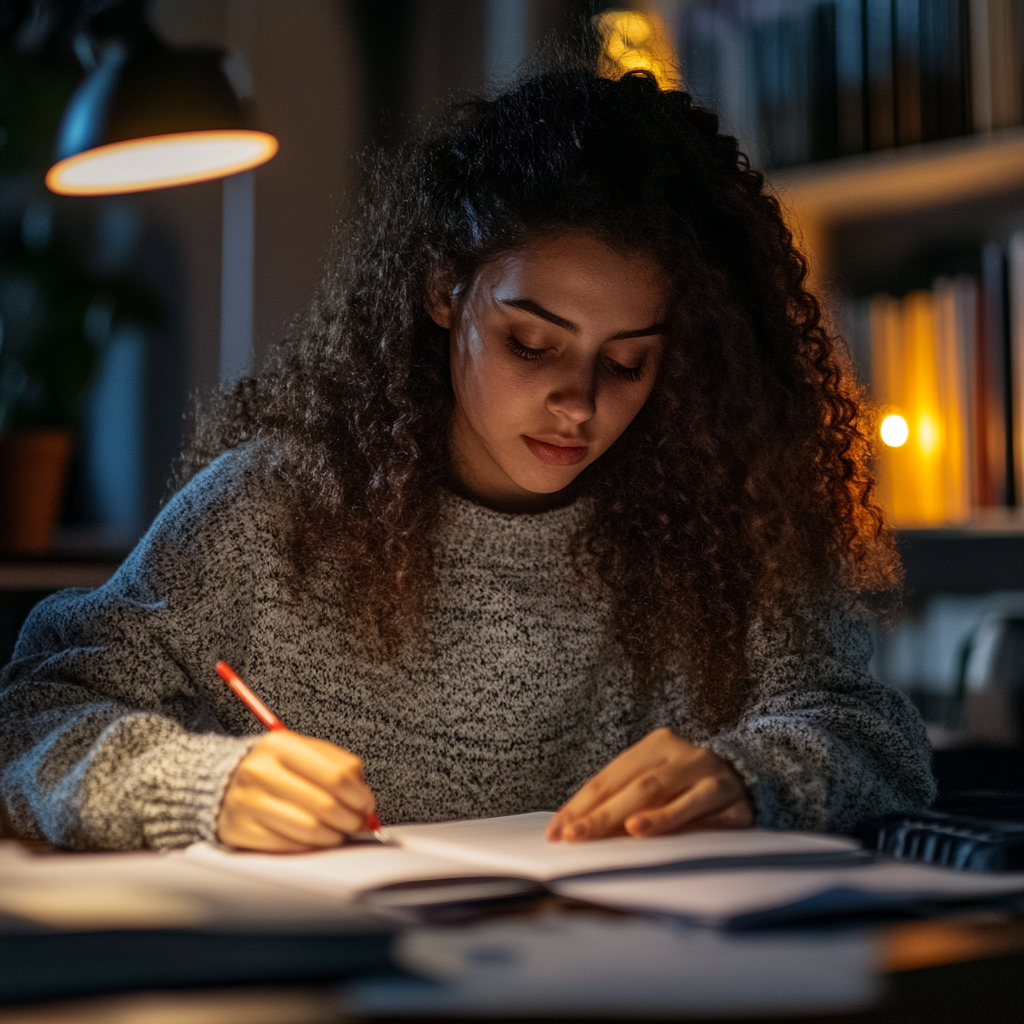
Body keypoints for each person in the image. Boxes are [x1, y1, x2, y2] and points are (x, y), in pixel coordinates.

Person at [0, 62, 934, 853]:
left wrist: (746, 776)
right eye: (533, 344)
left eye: (628, 362)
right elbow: (29, 716)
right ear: (445, 289)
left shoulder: (718, 532)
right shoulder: (273, 511)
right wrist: (203, 784)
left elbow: (872, 737)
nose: (580, 401)